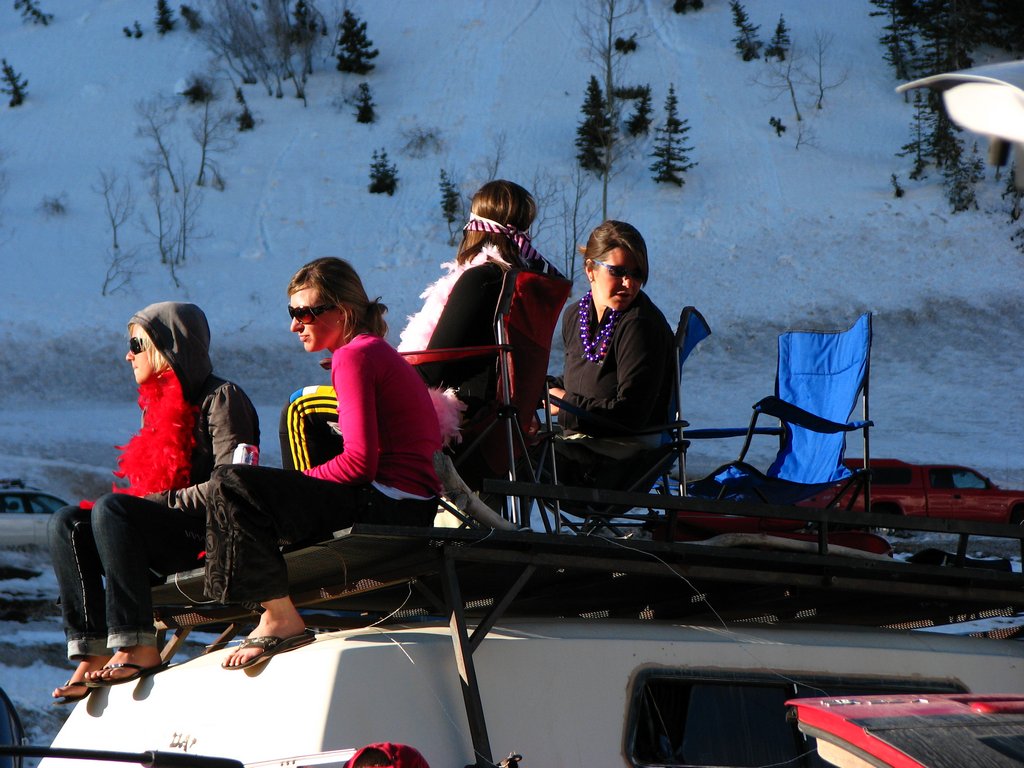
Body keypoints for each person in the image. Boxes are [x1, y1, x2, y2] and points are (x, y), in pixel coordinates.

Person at [206, 257, 442, 670]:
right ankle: (271, 609)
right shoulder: (370, 352)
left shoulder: (354, 356)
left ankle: (279, 616)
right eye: (291, 313)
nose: (294, 325)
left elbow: (359, 464)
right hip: (408, 505)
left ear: (343, 312)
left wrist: (296, 483)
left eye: (304, 313)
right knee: (246, 488)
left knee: (231, 483)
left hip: (389, 506)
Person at [49, 302, 259, 703]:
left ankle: (138, 645)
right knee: (67, 522)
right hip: (162, 535)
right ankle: (91, 652)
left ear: (168, 347)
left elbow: (235, 484)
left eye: (136, 344)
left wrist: (160, 502)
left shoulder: (222, 398)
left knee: (113, 508)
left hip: (206, 539)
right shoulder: (156, 407)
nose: (128, 355)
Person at [281, 179, 558, 473]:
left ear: (475, 226)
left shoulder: (482, 279)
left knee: (299, 409)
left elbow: (429, 371)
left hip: (457, 424)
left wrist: (369, 369)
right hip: (501, 426)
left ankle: (309, 504)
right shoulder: (525, 284)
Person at [545, 220, 674, 487]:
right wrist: (541, 391)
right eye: (618, 272)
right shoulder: (575, 315)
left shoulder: (640, 323)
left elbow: (631, 414)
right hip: (586, 440)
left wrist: (565, 405)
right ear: (590, 269)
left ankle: (492, 528)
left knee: (510, 455)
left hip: (620, 455)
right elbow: (583, 379)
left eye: (637, 274)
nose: (629, 283)